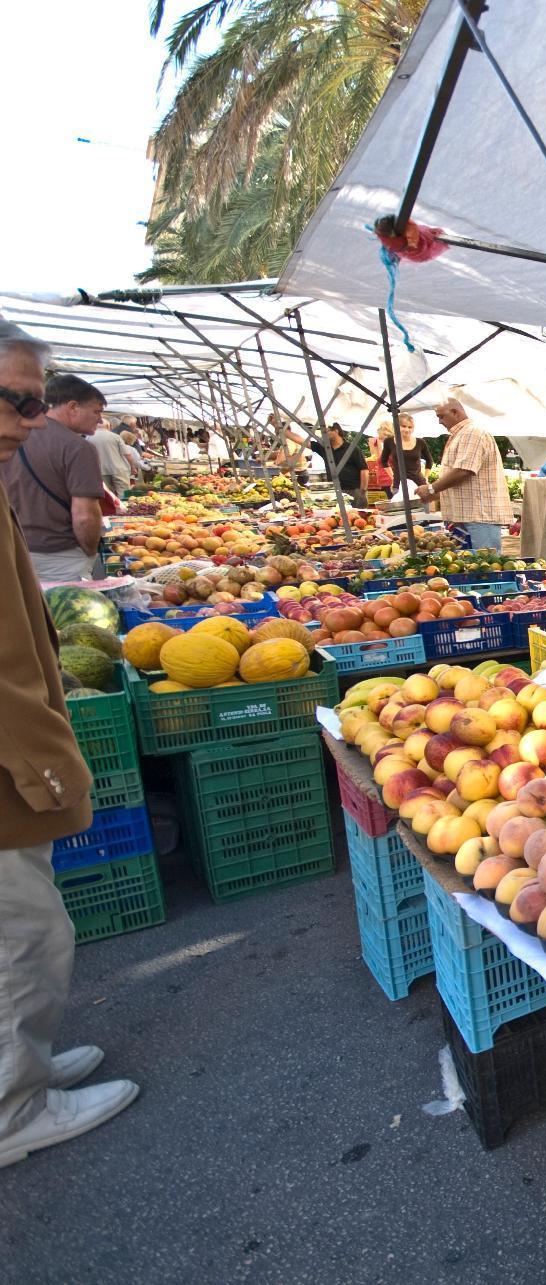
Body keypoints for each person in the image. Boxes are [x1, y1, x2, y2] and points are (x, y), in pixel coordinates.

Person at [0, 322, 139, 1168]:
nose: (29, 418)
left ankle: (23, 1063)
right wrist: (42, 761)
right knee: (23, 933)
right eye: (17, 400)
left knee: (25, 927)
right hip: (9, 762)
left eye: (35, 401)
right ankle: (15, 1109)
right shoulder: (70, 453)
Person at [0, 374, 105, 583]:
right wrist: (90, 552)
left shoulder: (12, 437)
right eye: (97, 411)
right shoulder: (78, 447)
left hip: (12, 548)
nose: (100, 419)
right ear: (73, 407)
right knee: (63, 604)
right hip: (60, 557)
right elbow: (84, 516)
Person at [418, 398, 513, 550]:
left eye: (441, 416)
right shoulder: (461, 435)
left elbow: (464, 471)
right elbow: (464, 482)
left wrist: (431, 489)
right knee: (472, 563)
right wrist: (435, 494)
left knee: (484, 563)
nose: (440, 422)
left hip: (479, 518)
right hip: (468, 517)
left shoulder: (472, 433)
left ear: (455, 412)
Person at [377, 414, 427, 494]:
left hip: (415, 482)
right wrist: (393, 476)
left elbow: (428, 460)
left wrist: (426, 477)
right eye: (404, 426)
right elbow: (384, 461)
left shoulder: (419, 442)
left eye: (409, 427)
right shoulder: (389, 443)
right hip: (397, 482)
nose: (407, 429)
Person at [325, 423, 368, 508]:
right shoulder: (326, 449)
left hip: (354, 490)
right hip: (335, 491)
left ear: (336, 431)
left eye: (327, 431)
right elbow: (306, 443)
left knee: (357, 514)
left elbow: (364, 470)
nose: (324, 434)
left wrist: (362, 491)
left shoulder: (352, 449)